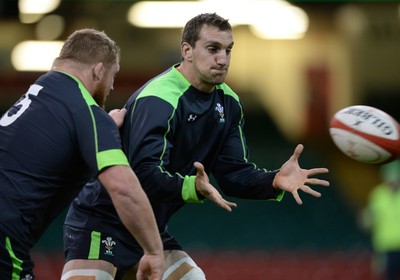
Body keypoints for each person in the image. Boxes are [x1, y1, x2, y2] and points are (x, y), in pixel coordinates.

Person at [63, 13, 330, 279]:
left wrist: (273, 180)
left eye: (228, 50)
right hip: (103, 220)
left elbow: (232, 174)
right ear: (187, 51)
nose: (223, 59)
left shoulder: (229, 103)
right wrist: (191, 187)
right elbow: (143, 174)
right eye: (213, 49)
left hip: (150, 228)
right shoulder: (158, 99)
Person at [0, 28, 164, 280]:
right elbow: (123, 187)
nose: (111, 87)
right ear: (98, 70)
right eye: (113, 75)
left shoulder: (42, 94)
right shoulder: (85, 112)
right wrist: (153, 251)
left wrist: (101, 130)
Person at [361, 160, 400, 280]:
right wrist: (366, 219)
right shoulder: (378, 194)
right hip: (385, 247)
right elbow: (367, 222)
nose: (393, 181)